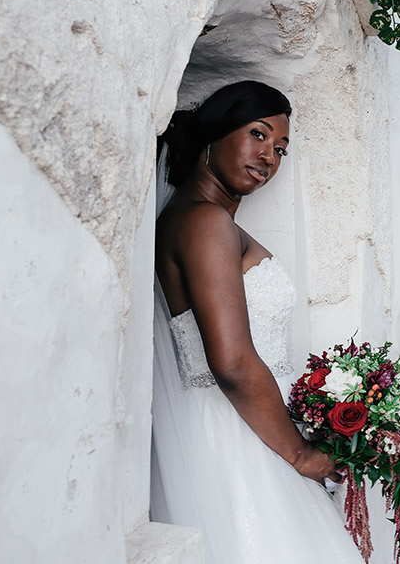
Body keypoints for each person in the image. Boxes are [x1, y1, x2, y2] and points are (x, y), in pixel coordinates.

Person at [150, 80, 364, 563]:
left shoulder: (196, 218)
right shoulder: (206, 223)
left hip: (249, 424)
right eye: (258, 134)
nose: (269, 156)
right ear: (216, 134)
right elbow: (230, 361)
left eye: (281, 148)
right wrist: (300, 454)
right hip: (241, 437)